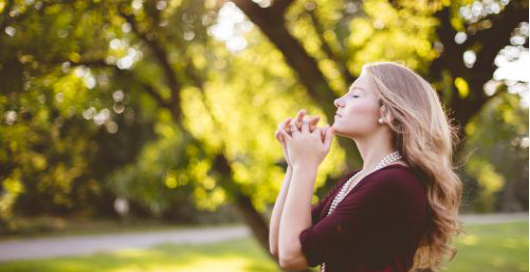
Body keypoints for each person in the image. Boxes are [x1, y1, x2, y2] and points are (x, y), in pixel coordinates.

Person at [269, 62, 464, 272]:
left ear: (387, 113)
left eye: (355, 95)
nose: (338, 101)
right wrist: (293, 163)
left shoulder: (394, 183)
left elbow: (293, 256)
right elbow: (279, 246)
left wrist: (305, 165)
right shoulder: (358, 179)